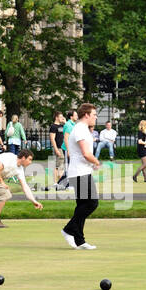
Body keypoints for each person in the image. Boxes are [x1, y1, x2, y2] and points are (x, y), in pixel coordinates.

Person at [62, 102, 101, 250]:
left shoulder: (83, 129)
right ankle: (68, 229)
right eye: (94, 115)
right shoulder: (80, 129)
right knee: (92, 203)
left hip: (82, 171)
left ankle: (80, 240)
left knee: (83, 205)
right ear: (86, 115)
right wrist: (96, 162)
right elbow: (86, 153)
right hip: (80, 172)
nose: (95, 118)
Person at [49, 111, 68, 189]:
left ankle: (60, 183)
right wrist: (56, 149)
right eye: (60, 117)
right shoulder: (53, 126)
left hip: (63, 148)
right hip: (58, 148)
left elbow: (68, 130)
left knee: (61, 166)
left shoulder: (61, 126)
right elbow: (52, 139)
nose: (62, 118)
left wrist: (65, 122)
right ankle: (55, 183)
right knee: (57, 166)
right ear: (56, 117)